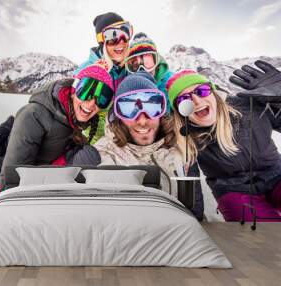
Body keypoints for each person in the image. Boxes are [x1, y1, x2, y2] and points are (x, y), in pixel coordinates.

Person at [167, 62, 281, 222]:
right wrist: (194, 222)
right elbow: (190, 188)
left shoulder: (249, 105)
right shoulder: (186, 138)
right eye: (184, 99)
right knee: (266, 236)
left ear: (213, 93)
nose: (197, 101)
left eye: (202, 91)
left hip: (277, 177)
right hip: (233, 192)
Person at [93, 71, 204, 221]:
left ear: (162, 112)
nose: (142, 120)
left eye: (152, 107)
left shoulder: (181, 149)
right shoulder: (104, 154)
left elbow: (195, 214)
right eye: (129, 109)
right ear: (118, 116)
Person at [0, 63, 112, 187]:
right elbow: (13, 177)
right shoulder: (35, 115)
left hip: (38, 189)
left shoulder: (74, 120)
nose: (91, 104)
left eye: (102, 99)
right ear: (73, 91)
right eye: (85, 92)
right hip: (3, 193)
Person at [74, 12, 133, 143]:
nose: (121, 43)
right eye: (113, 37)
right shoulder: (88, 70)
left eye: (125, 33)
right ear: (102, 41)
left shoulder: (130, 67)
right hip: (96, 140)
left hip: (125, 139)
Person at [124, 32, 174, 111]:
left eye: (148, 62)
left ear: (156, 62)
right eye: (136, 65)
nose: (142, 70)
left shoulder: (170, 83)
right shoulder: (126, 86)